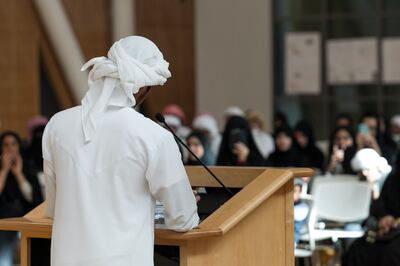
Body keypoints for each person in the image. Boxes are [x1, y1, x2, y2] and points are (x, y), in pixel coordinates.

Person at [42, 36, 199, 266]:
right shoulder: (154, 136)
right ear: (143, 86)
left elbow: (54, 208)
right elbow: (182, 218)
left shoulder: (57, 125)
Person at [342, 167, 400, 266]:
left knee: (391, 253)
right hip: (390, 232)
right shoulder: (395, 177)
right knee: (358, 249)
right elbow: (380, 204)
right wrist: (384, 217)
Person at [0, 131, 42, 266]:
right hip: (3, 221)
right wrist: (4, 170)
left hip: (26, 218)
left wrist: (18, 174)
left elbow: (32, 198)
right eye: (6, 145)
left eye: (13, 144)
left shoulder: (28, 167)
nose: (10, 148)